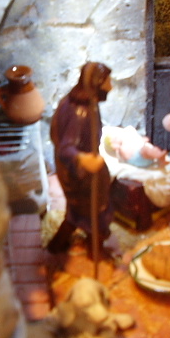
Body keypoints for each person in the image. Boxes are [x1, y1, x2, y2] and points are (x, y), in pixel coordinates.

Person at [46, 62, 115, 256]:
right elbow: (66, 149)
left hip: (74, 172)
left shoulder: (73, 101)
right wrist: (83, 159)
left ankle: (57, 244)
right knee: (95, 214)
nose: (110, 87)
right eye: (107, 82)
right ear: (96, 83)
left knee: (76, 214)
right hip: (80, 175)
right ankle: (95, 251)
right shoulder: (82, 113)